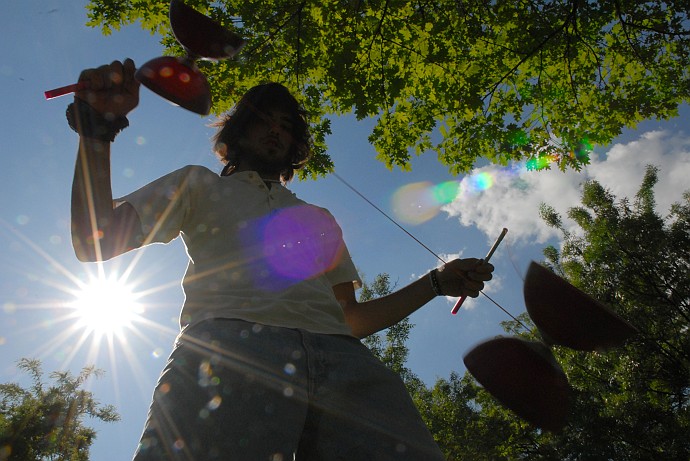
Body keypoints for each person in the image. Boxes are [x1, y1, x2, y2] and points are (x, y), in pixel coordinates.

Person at [69, 59, 494, 461]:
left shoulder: (319, 219)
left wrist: (436, 282)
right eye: (263, 119)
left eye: (286, 126)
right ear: (236, 131)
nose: (275, 130)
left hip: (347, 365)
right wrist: (96, 129)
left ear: (295, 144)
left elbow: (350, 319)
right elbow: (94, 240)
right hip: (230, 353)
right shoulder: (196, 185)